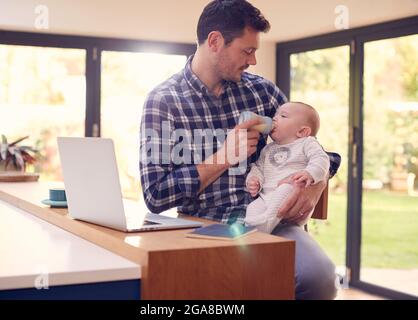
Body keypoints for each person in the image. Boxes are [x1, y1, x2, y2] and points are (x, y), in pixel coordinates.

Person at [140, 0, 341, 299]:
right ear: (215, 41)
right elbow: (155, 195)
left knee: (320, 278)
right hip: (203, 228)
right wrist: (223, 158)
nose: (253, 61)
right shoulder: (164, 102)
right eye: (247, 51)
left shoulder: (263, 92)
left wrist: (316, 184)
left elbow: (316, 150)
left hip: (272, 223)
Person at [245, 102, 330, 234]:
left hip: (292, 196)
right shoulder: (268, 149)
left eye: (283, 116)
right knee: (253, 207)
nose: (274, 119)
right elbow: (258, 167)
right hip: (266, 196)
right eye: (275, 115)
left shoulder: (306, 143)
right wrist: (254, 178)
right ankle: (251, 227)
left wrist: (310, 174)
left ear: (302, 131)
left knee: (285, 189)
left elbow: (322, 159)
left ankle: (264, 225)